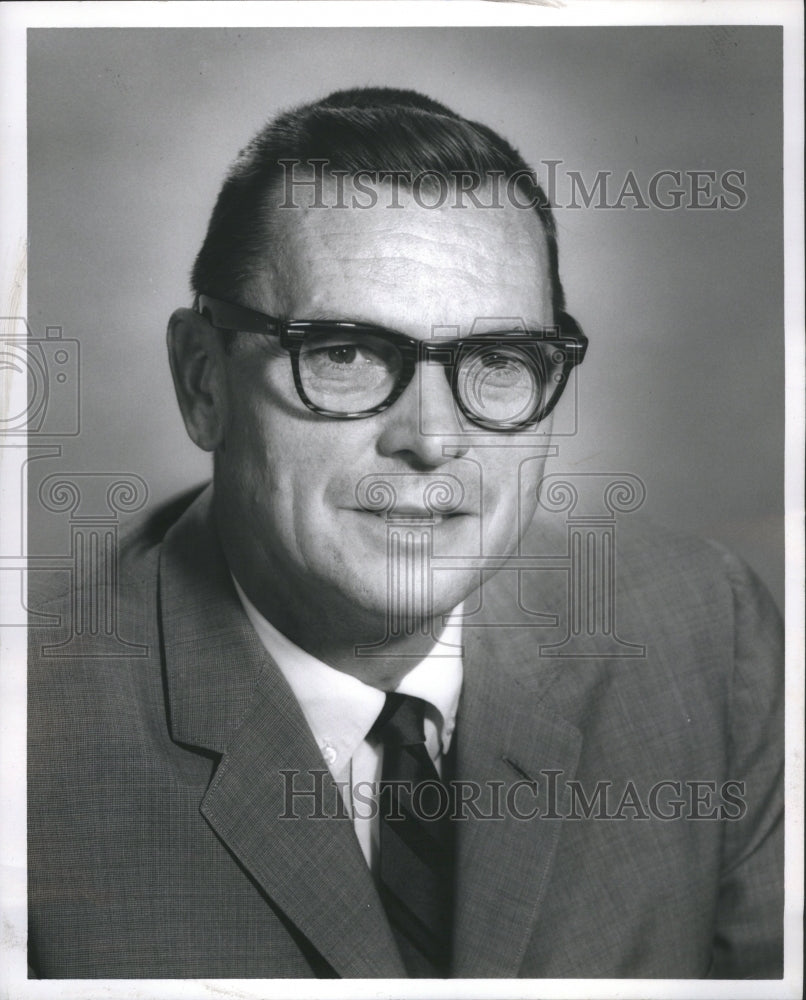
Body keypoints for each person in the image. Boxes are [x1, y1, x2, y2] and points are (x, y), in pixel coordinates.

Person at [27, 87, 783, 979]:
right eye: (345, 352)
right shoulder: (31, 738)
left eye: (498, 360)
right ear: (204, 382)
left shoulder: (706, 630)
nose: (431, 439)